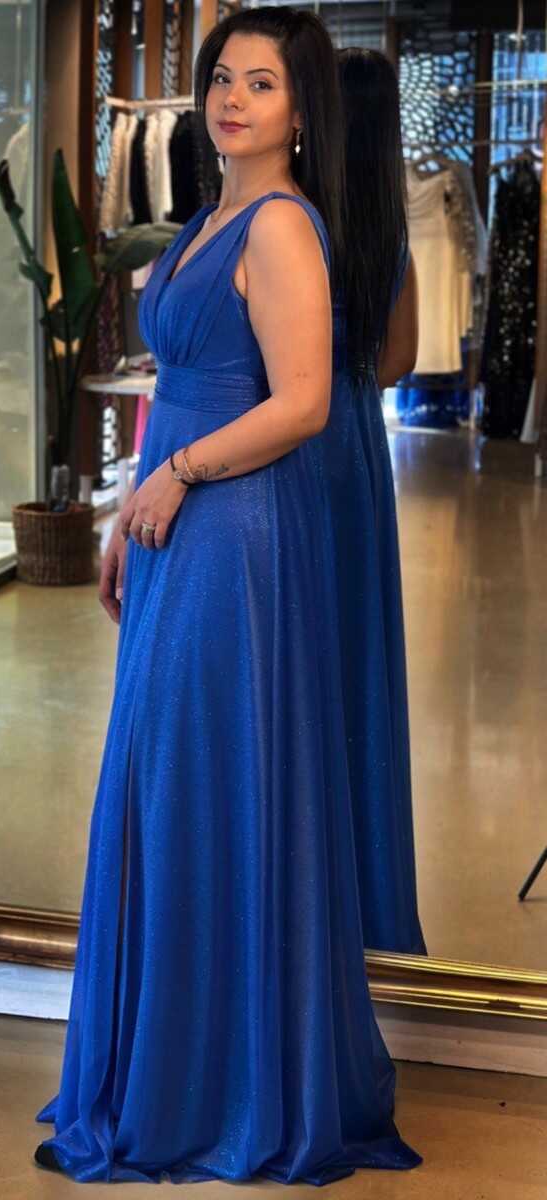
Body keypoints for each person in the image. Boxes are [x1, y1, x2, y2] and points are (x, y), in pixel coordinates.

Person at [34, 7, 423, 1184]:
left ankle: (216, 1087)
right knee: (170, 777)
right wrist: (131, 503)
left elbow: (303, 403)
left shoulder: (285, 225)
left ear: (303, 112)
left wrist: (179, 477)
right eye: (221, 78)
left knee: (202, 776)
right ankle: (176, 1065)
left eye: (261, 82)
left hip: (236, 530)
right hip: (179, 515)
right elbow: (184, 382)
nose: (231, 99)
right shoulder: (210, 218)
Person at [315, 46, 427, 956]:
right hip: (351, 442)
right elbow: (398, 361)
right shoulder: (386, 229)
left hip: (287, 437)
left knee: (292, 651)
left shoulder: (293, 217)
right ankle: (364, 899)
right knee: (351, 650)